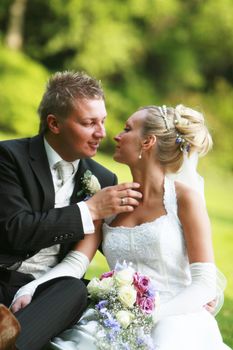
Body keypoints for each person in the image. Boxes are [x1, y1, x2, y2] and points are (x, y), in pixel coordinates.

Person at [11, 104, 230, 349]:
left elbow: (204, 282)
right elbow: (75, 263)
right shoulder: (110, 200)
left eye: (127, 129)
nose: (115, 135)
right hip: (116, 316)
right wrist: (30, 289)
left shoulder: (184, 199)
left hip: (174, 317)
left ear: (147, 142)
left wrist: (147, 317)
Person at [0, 71, 143, 350]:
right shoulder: (8, 158)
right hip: (3, 275)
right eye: (89, 123)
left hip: (48, 290)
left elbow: (124, 245)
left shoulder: (103, 179)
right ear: (54, 123)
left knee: (76, 289)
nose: (101, 133)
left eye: (102, 121)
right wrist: (89, 209)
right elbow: (14, 230)